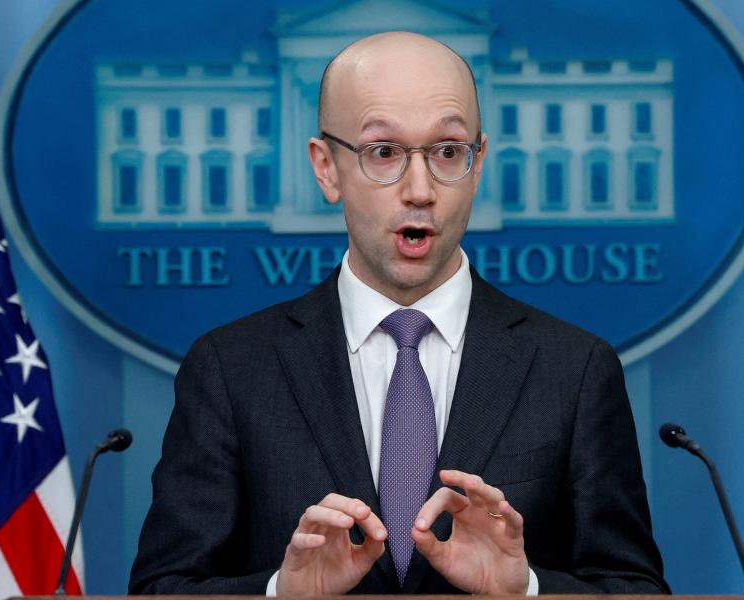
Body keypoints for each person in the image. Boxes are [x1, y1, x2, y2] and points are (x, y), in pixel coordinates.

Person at [129, 32, 668, 595]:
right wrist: (278, 593)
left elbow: (635, 589)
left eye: (447, 152)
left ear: (478, 163)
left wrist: (526, 589)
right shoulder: (231, 368)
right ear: (326, 167)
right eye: (383, 152)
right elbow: (162, 589)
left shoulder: (575, 369)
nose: (420, 189)